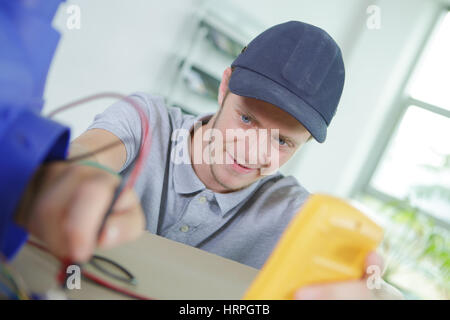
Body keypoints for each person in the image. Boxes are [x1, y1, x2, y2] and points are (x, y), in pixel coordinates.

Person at [11, 17, 403, 299]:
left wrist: (375, 292)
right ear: (225, 85)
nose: (253, 150)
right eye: (247, 118)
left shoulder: (296, 215)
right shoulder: (146, 120)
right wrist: (78, 175)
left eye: (282, 142)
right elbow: (86, 155)